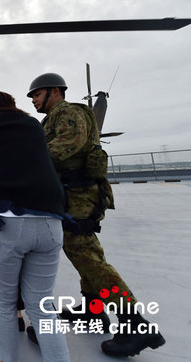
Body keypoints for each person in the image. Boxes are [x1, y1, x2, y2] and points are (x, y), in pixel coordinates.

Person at [28, 73, 165, 357]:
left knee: (88, 259)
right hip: (74, 195)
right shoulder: (58, 115)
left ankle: (135, 324)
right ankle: (93, 311)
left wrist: (25, 156)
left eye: (36, 94)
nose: (33, 100)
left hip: (78, 196)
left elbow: (67, 145)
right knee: (86, 255)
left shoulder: (67, 113)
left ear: (55, 91)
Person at [0, 91, 70, 362]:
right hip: (50, 222)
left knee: (3, 302)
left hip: (7, 221)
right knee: (43, 306)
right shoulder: (33, 124)